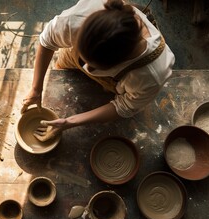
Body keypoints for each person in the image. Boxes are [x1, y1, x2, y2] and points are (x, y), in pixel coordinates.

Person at [21, 0, 175, 142]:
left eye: (92, 67)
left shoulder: (152, 75)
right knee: (63, 74)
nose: (86, 68)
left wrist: (68, 122)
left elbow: (124, 106)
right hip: (74, 54)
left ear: (118, 64)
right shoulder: (78, 18)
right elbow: (48, 40)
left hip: (120, 85)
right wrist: (36, 89)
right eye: (84, 59)